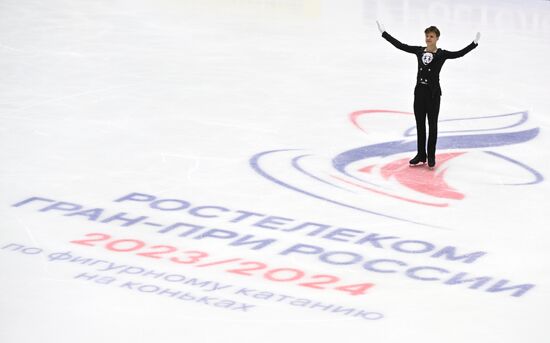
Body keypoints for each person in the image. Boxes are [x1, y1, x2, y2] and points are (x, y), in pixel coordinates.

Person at [376, 21, 480, 168]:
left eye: (431, 36)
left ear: (437, 38)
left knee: (432, 126)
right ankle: (420, 155)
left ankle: (431, 156)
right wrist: (384, 34)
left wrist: (474, 44)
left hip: (433, 95)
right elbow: (401, 46)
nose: (428, 38)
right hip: (419, 93)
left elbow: (459, 54)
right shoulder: (419, 51)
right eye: (427, 36)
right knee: (420, 125)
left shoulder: (442, 54)